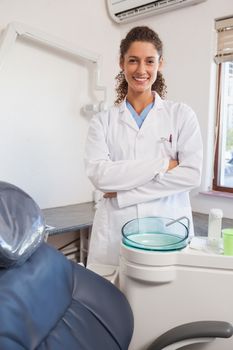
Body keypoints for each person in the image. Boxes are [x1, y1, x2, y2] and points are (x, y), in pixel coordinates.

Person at [84, 26, 203, 266]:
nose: (141, 70)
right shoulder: (102, 121)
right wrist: (164, 164)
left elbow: (191, 175)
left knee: (165, 301)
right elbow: (100, 177)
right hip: (115, 233)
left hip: (168, 231)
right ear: (121, 63)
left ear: (160, 64)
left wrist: (123, 193)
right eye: (133, 61)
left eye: (149, 61)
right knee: (111, 299)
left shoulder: (181, 115)